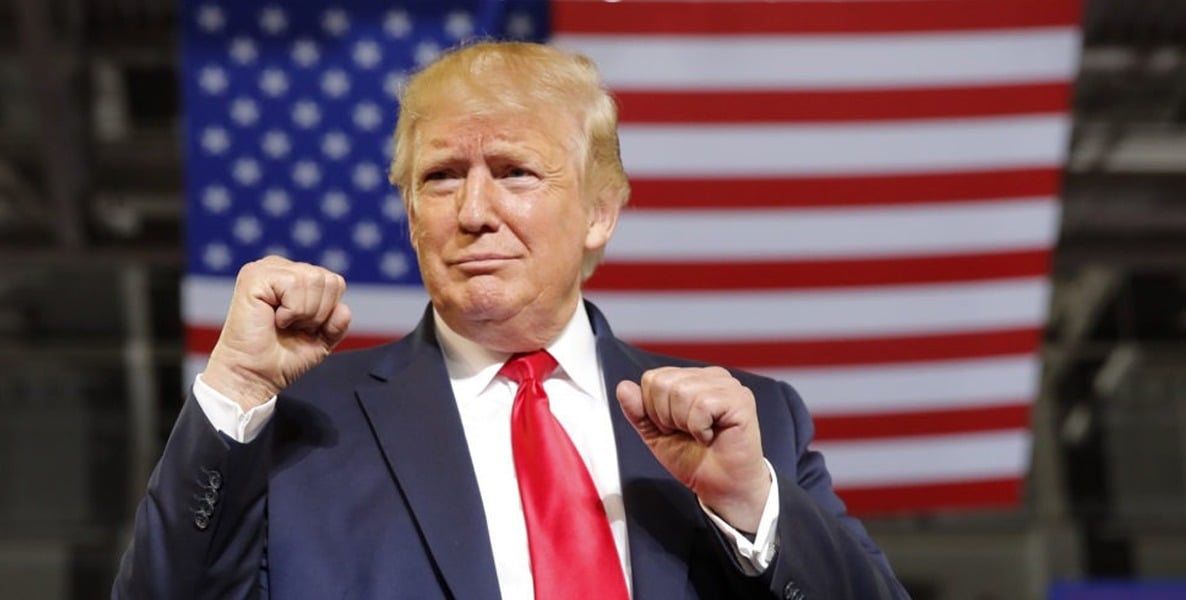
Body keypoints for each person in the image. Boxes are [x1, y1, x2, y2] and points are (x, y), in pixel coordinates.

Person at [113, 41, 910, 600]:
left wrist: (750, 504)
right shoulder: (298, 427)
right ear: (408, 210)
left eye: (515, 172)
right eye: (442, 176)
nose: (473, 211)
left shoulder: (750, 423)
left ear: (601, 211)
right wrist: (237, 386)